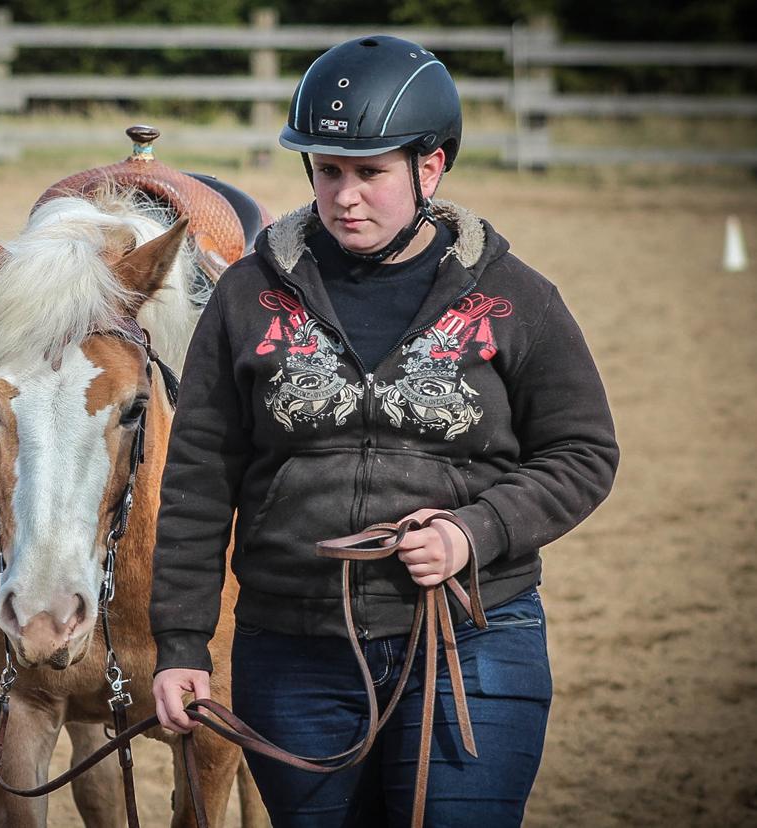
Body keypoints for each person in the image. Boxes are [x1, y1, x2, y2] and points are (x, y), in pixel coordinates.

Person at [149, 35, 619, 826]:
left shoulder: (517, 298)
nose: (345, 197)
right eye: (328, 170)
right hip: (291, 648)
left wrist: (477, 531)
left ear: (429, 169)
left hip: (473, 640)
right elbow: (199, 476)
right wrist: (183, 645)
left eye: (371, 173)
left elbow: (583, 452)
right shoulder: (246, 296)